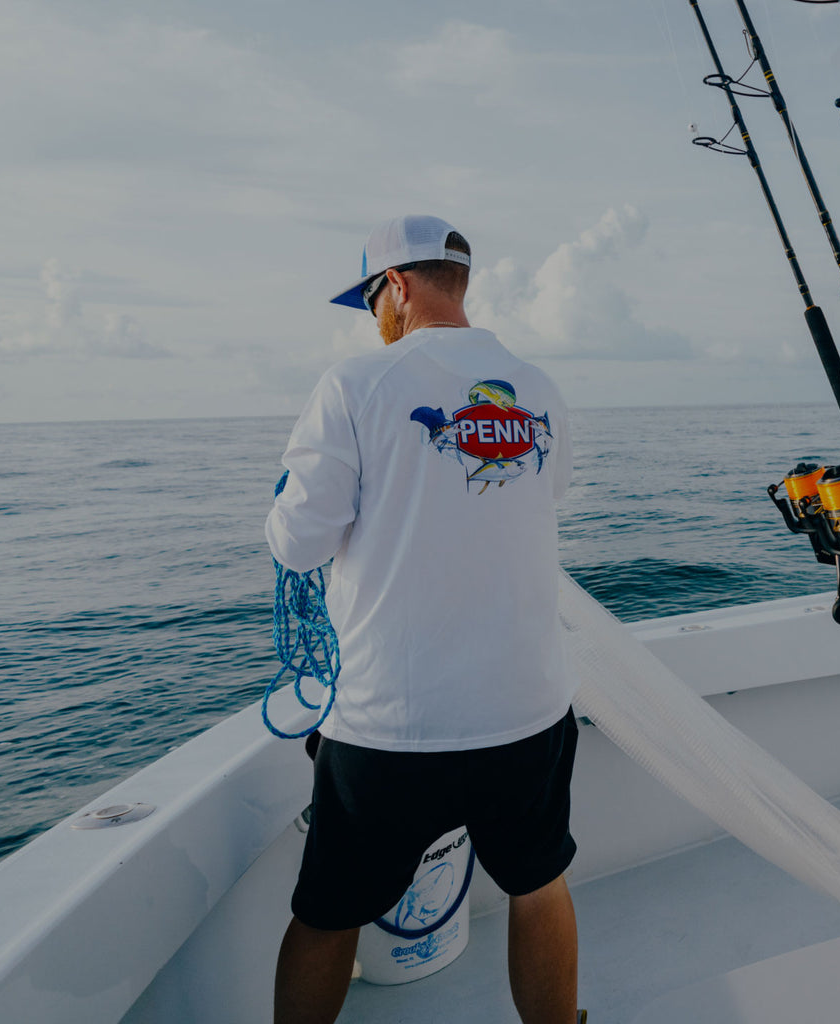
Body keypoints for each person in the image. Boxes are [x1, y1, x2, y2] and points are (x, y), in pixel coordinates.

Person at [265, 215, 581, 1024]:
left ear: (397, 287)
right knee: (539, 885)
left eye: (371, 296)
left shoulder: (355, 386)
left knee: (329, 911)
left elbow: (299, 542)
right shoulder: (538, 388)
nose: (373, 315)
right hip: (528, 709)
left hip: (393, 727)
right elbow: (539, 505)